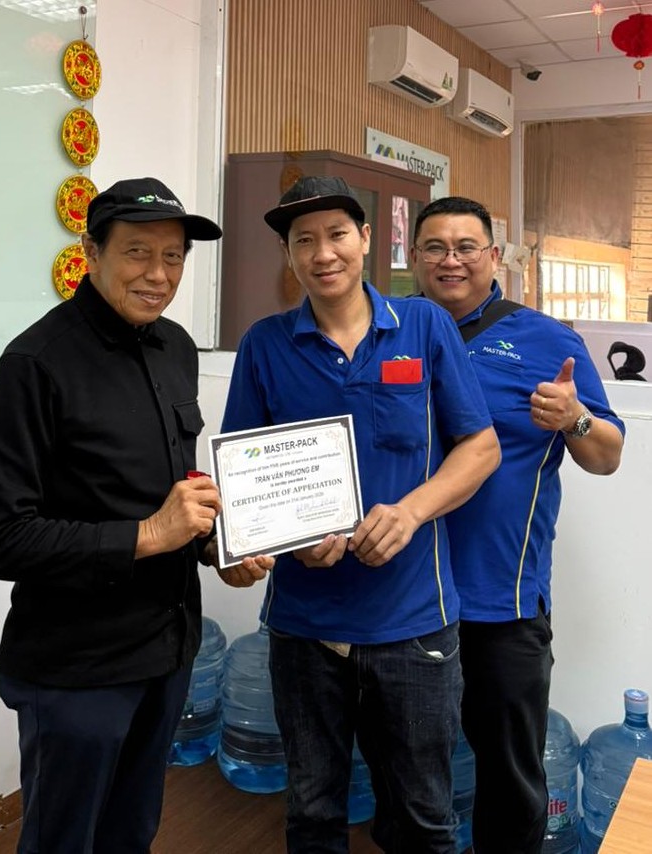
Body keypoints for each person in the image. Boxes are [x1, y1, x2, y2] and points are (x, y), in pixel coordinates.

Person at [0, 176, 271, 853]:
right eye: (137, 252)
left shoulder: (176, 348)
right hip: (77, 668)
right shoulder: (35, 363)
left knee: (131, 833)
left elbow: (174, 494)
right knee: (63, 840)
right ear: (91, 252)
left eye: (173, 256)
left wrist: (215, 547)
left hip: (166, 651)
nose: (158, 274)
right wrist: (148, 534)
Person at [220, 175, 501, 853]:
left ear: (367, 239)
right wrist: (288, 538)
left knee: (421, 816)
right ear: (289, 255)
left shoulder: (423, 326)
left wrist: (408, 513)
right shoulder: (265, 344)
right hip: (303, 627)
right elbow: (243, 477)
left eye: (337, 234)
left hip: (413, 623)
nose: (323, 254)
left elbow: (481, 447)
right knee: (312, 809)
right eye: (304, 241)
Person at [410, 196, 625, 854]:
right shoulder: (390, 330)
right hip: (403, 593)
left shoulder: (545, 340)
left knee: (508, 776)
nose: (450, 260)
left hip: (500, 600)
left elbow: (607, 455)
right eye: (435, 247)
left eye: (465, 247)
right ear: (413, 257)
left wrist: (573, 419)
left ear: (493, 256)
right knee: (407, 765)